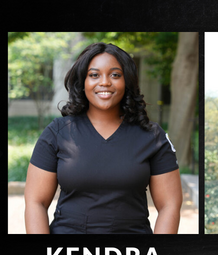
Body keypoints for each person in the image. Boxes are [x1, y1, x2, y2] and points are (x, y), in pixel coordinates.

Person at [24, 42, 182, 234]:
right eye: (94, 75)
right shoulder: (57, 133)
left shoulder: (152, 136)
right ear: (83, 81)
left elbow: (170, 205)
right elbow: (35, 203)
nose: (105, 82)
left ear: (127, 81)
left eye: (115, 75)